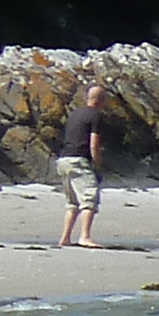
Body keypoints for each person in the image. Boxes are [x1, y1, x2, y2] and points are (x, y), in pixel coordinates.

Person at [56, 80, 110, 246]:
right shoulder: (97, 116)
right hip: (79, 160)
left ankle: (65, 238)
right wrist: (97, 165)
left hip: (64, 160)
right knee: (89, 199)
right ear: (101, 100)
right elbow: (93, 142)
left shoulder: (74, 114)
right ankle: (84, 236)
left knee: (72, 203)